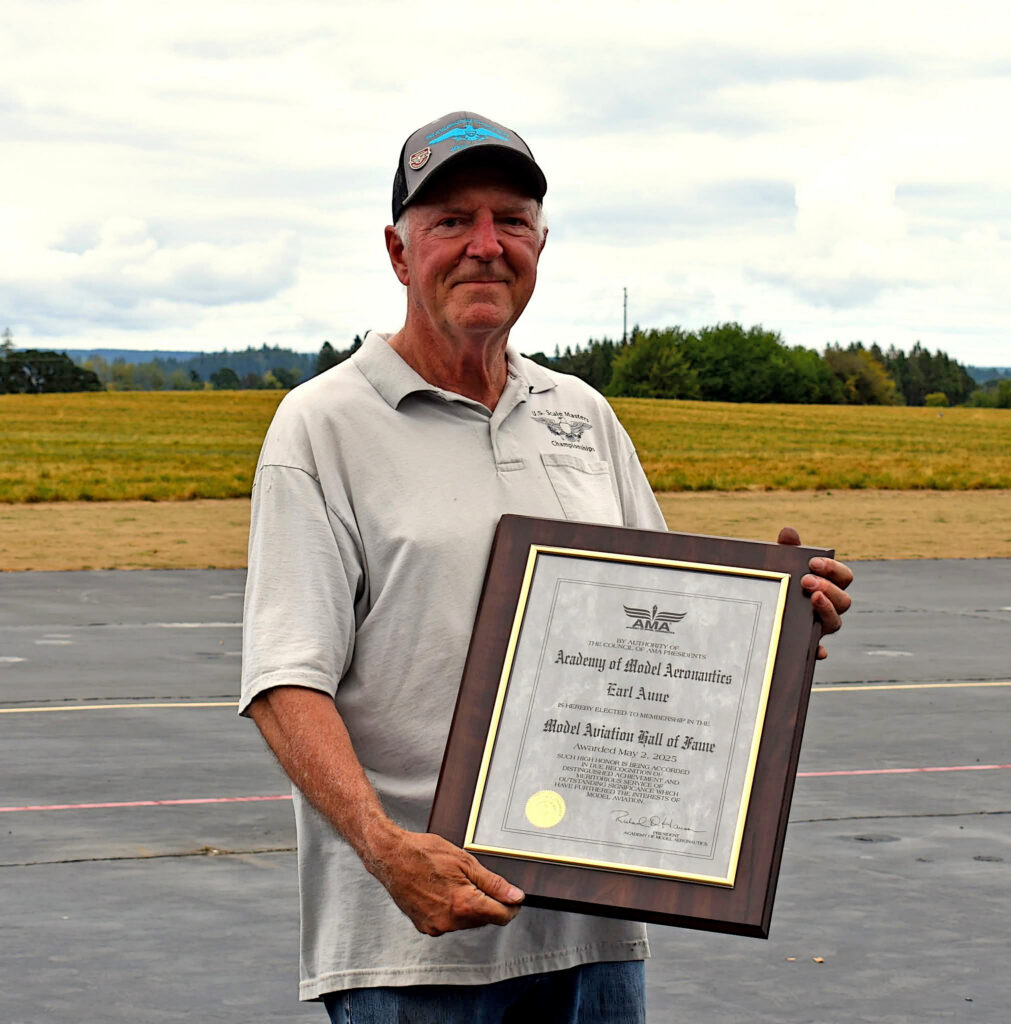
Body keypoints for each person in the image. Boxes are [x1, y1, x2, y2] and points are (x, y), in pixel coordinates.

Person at [240, 111, 854, 1023]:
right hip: (413, 952)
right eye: (452, 220)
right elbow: (284, 682)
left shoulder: (582, 416)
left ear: (539, 244)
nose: (485, 245)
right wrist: (387, 850)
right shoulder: (322, 425)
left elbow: (663, 634)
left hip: (593, 942)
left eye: (512, 220)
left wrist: (772, 623)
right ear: (398, 252)